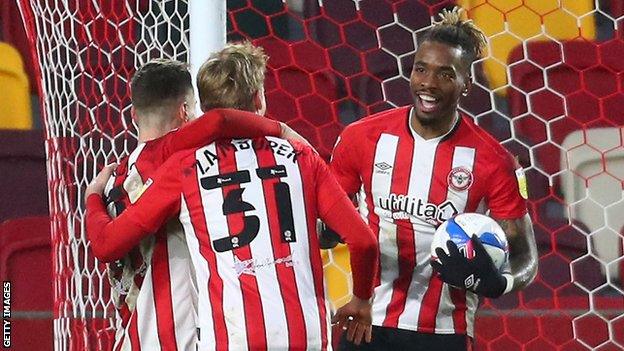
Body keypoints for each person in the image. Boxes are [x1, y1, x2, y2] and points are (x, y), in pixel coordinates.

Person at [88, 42, 380, 350]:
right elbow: (363, 241)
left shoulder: (184, 166)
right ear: (258, 99)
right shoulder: (301, 155)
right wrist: (361, 299)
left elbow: (106, 245)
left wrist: (92, 197)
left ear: (201, 107)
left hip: (233, 337)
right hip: (304, 334)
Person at [329, 7, 538, 351]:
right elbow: (328, 221)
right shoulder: (361, 138)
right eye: (421, 69)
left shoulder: (494, 161)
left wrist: (500, 283)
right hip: (368, 323)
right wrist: (325, 230)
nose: (428, 83)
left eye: (445, 74)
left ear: (467, 84)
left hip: (444, 333)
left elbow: (526, 258)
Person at [102, 58, 308, 350]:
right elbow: (220, 120)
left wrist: (90, 197)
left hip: (131, 334)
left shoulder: (114, 180)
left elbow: (102, 243)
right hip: (177, 336)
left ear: (133, 114)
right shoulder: (178, 159)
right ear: (185, 112)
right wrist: (282, 131)